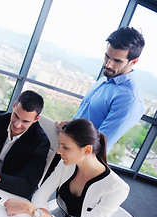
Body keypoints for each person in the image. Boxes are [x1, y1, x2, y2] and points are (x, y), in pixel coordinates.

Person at [4, 118, 129, 217]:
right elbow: (41, 194)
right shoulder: (68, 163)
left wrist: (32, 211)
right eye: (59, 145)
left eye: (65, 147)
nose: (58, 151)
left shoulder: (117, 189)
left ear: (87, 150)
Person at [57, 26, 145, 154]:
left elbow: (100, 144)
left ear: (133, 62)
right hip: (67, 150)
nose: (108, 64)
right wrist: (68, 128)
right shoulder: (105, 79)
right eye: (107, 57)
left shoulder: (130, 99)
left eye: (117, 61)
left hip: (83, 162)